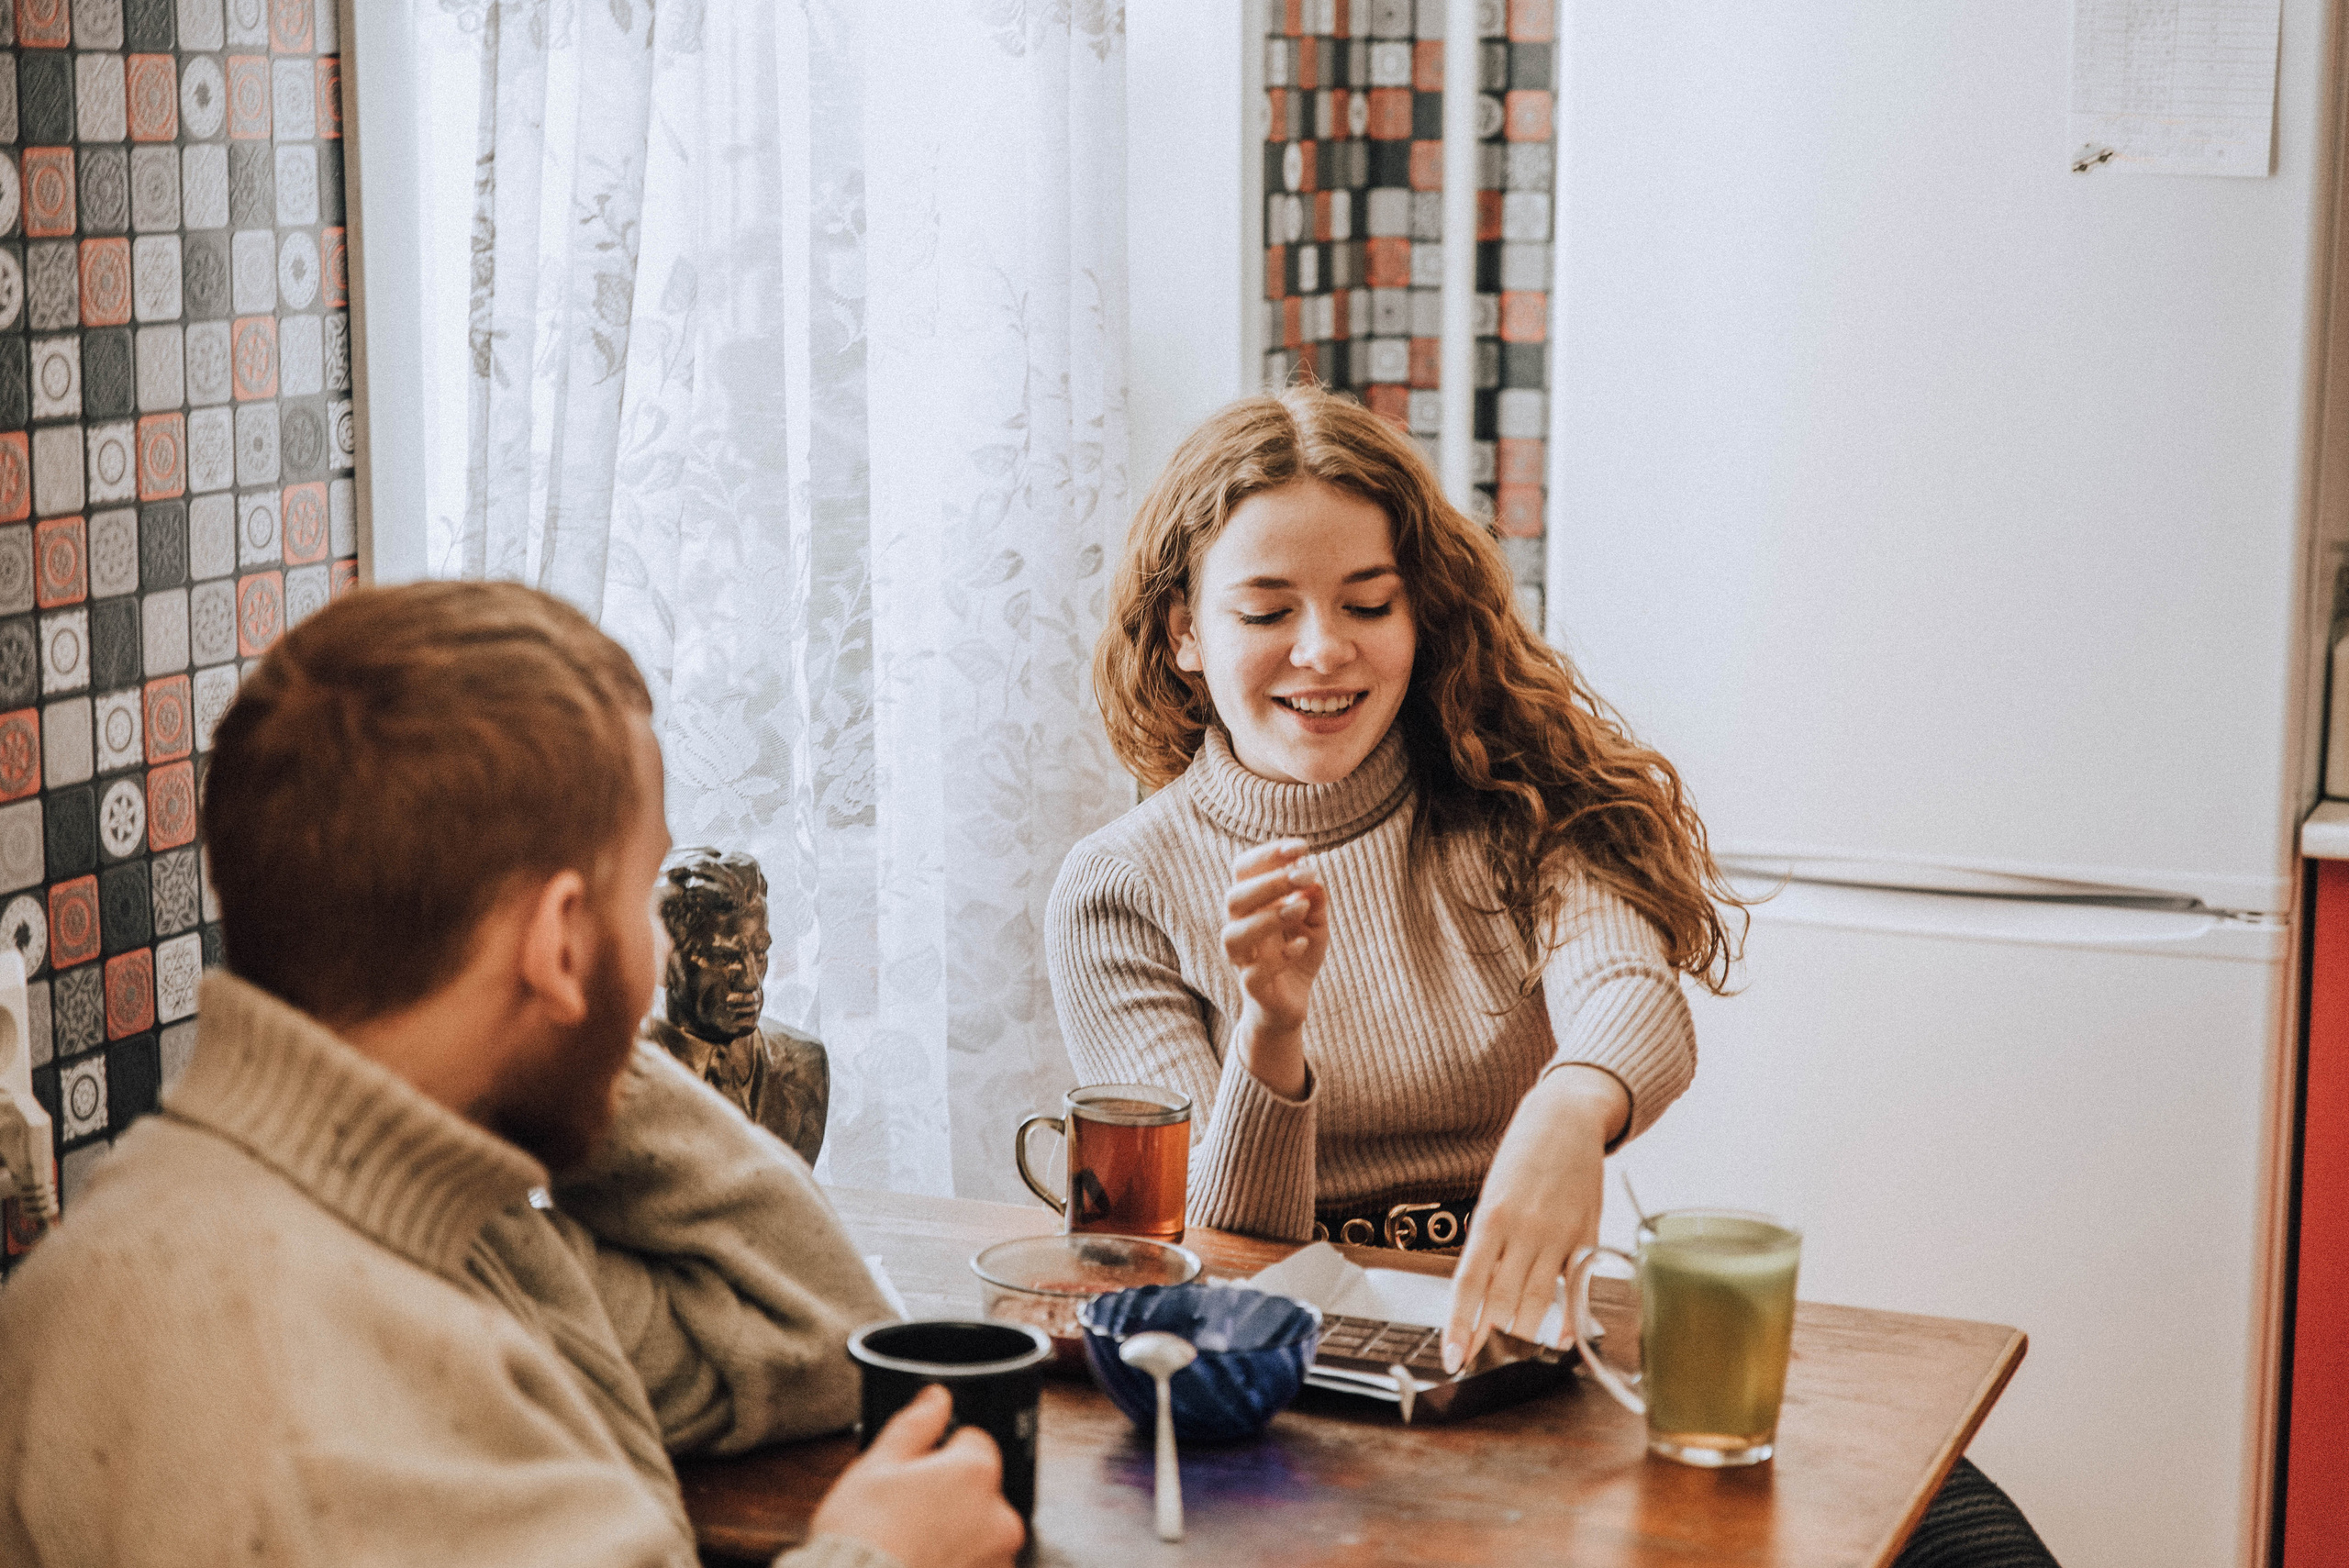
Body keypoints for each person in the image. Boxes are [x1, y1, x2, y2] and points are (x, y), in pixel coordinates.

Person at [1048, 385, 2057, 1566]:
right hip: (1290, 1399)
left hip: (1533, 1350)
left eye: (1366, 602)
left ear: (1418, 612)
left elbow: (1632, 995)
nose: (1323, 649)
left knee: (1974, 1546)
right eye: (1266, 609)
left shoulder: (1514, 806)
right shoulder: (1117, 886)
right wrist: (1273, 1029)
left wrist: (1571, 1105)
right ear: (1180, 632)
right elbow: (1221, 1255)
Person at [0, 582, 1022, 1568]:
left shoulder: (437, 1224)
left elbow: (816, 1337)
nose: (659, 963)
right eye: (638, 911)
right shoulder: (306, 1389)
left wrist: (521, 1035)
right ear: (557, 938)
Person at [646, 847, 832, 1166]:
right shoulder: (611, 1081)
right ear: (663, 963)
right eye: (723, 958)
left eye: (759, 953)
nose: (750, 982)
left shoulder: (805, 1067)